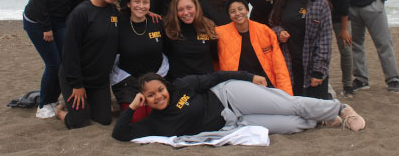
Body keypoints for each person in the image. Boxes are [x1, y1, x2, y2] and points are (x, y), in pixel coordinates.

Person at [112, 71, 365, 141]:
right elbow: (120, 134)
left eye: (160, 90)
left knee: (288, 105)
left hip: (229, 96)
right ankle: (320, 119)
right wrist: (133, 107)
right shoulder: (154, 122)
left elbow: (216, 77)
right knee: (293, 125)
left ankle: (340, 108)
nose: (159, 96)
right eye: (151, 95)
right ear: (145, 98)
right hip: (234, 123)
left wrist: (248, 77)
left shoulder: (181, 86)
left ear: (166, 86)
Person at [23, 0, 87, 118]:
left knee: (66, 63)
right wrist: (46, 27)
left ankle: (52, 99)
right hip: (37, 21)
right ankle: (43, 104)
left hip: (61, 22)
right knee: (53, 63)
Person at [55, 0, 124, 129]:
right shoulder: (81, 13)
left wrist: (148, 14)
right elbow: (69, 52)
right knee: (79, 122)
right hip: (75, 78)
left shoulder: (114, 12)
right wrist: (77, 85)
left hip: (98, 81)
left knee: (104, 119)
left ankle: (86, 104)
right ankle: (60, 111)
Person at [270, 0, 333, 99]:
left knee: (317, 112)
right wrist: (279, 32)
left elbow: (325, 40)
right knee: (295, 107)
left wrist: (318, 71)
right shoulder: (283, 1)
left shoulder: (319, 4)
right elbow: (273, 23)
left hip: (311, 66)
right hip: (289, 64)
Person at [215, 0, 293, 95]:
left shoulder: (264, 31)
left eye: (240, 9)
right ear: (229, 15)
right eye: (233, 11)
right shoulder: (220, 33)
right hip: (238, 87)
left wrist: (287, 94)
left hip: (266, 84)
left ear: (247, 10)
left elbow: (279, 65)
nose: (238, 13)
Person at [111, 0, 167, 123]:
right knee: (137, 119)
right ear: (129, 3)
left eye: (145, 2)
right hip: (128, 82)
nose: (141, 6)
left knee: (157, 116)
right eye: (137, 1)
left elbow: (167, 51)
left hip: (154, 81)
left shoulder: (157, 22)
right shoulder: (119, 24)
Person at [162, 0, 217, 81]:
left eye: (189, 8)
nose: (186, 13)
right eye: (180, 10)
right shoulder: (168, 29)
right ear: (175, 11)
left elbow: (216, 54)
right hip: (181, 85)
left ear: (196, 7)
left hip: (207, 82)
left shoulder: (208, 26)